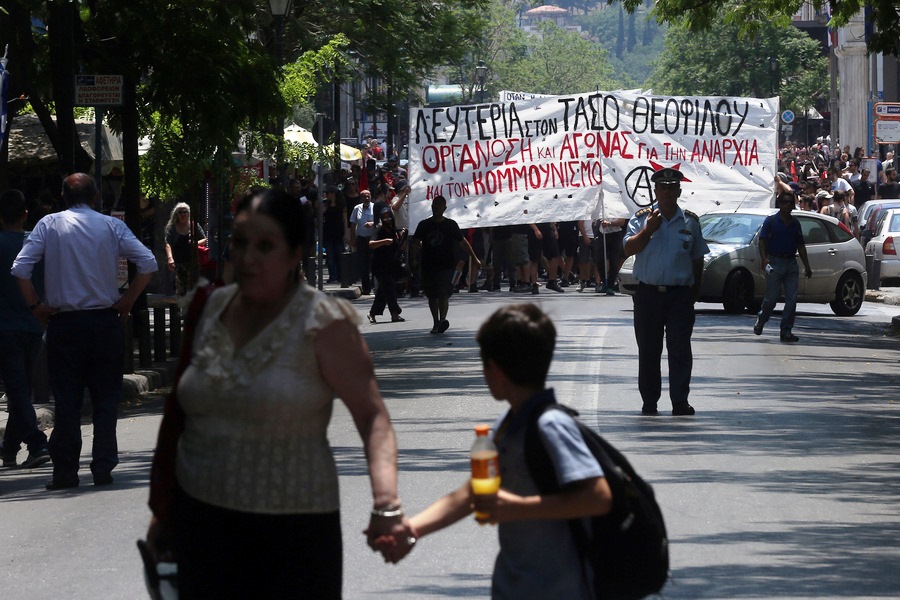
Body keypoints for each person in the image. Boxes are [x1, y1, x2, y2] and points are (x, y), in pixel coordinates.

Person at [145, 188, 410, 598]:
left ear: (294, 254)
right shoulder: (208, 308)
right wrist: (163, 511)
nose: (248, 257)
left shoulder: (323, 322)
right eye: (240, 242)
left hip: (292, 534)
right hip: (201, 524)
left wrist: (386, 504)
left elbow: (372, 416)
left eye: (265, 245)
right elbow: (179, 414)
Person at [388, 303, 613, 599]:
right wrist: (412, 529)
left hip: (561, 589)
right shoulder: (507, 425)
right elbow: (474, 492)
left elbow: (598, 496)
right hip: (513, 586)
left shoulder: (551, 425)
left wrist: (520, 507)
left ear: (495, 370)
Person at [12, 173, 158, 489]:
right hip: (105, 323)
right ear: (95, 198)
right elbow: (147, 263)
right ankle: (103, 467)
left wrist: (36, 307)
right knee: (106, 400)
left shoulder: (48, 225)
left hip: (64, 324)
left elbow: (21, 269)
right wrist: (127, 301)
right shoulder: (111, 226)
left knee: (66, 401)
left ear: (64, 198)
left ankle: (65, 472)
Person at [623, 167, 709, 416]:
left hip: (679, 295)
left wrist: (694, 291)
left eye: (673, 188)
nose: (668, 192)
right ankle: (650, 402)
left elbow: (697, 258)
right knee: (649, 350)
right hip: (648, 295)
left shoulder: (690, 221)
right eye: (663, 187)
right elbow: (628, 250)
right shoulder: (641, 218)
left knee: (680, 349)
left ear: (679, 191)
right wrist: (648, 230)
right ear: (655, 191)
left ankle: (680, 401)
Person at [0, 189, 50, 469]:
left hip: (5, 328)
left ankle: (36, 442)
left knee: (18, 391)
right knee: (22, 390)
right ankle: (9, 449)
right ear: (26, 215)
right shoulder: (37, 244)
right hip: (34, 325)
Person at [412, 195, 481, 334]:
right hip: (428, 265)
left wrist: (474, 258)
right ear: (431, 207)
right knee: (432, 295)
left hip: (447, 265)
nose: (436, 208)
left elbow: (463, 242)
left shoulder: (451, 225)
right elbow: (415, 243)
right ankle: (435, 322)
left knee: (443, 293)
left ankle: (443, 319)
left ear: (445, 208)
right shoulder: (424, 225)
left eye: (439, 205)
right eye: (434, 205)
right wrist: (413, 259)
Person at [753, 185, 813, 343]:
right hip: (775, 262)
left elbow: (801, 245)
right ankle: (762, 319)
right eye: (784, 202)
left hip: (791, 263)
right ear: (779, 204)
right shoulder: (771, 221)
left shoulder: (795, 224)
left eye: (790, 203)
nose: (787, 205)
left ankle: (786, 330)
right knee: (771, 299)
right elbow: (762, 240)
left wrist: (807, 266)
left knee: (791, 300)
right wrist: (764, 259)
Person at [368, 206, 406, 324]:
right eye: (384, 218)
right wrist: (384, 242)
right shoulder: (379, 230)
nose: (387, 220)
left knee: (383, 291)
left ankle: (372, 312)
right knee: (390, 288)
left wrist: (403, 236)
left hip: (391, 265)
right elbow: (371, 244)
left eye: (389, 217)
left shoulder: (394, 231)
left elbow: (401, 248)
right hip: (379, 266)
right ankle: (395, 313)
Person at [165, 202, 207, 297]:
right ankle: (183, 309)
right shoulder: (172, 228)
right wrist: (170, 258)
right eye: (180, 212)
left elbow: (204, 239)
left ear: (189, 213)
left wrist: (194, 244)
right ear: (177, 214)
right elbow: (168, 244)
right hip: (179, 262)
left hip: (193, 261)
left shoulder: (194, 225)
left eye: (185, 212)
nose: (183, 214)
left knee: (195, 287)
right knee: (181, 289)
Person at [350, 189, 375, 295]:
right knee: (363, 265)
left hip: (373, 239)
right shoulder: (357, 208)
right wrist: (353, 238)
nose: (367, 198)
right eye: (364, 196)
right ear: (361, 198)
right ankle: (366, 288)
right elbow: (353, 224)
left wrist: (372, 223)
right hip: (361, 240)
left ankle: (375, 286)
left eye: (368, 196)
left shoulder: (375, 207)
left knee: (373, 264)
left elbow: (380, 221)